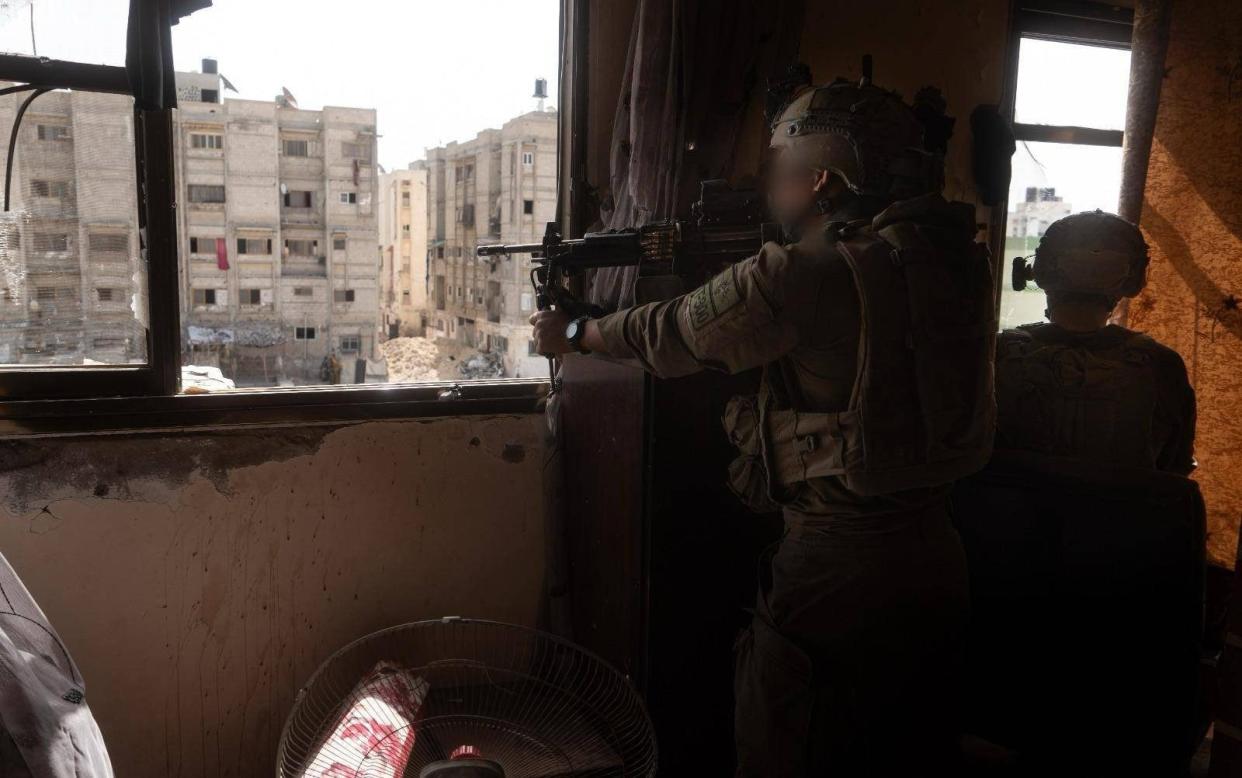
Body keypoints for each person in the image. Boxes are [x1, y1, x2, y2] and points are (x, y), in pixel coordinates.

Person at [532, 71, 996, 775]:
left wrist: (575, 330)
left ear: (819, 179)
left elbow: (676, 333)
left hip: (838, 570)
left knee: (789, 744)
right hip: (939, 555)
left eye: (780, 171)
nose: (769, 187)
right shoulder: (950, 262)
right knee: (905, 748)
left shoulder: (804, 272)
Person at [1000, 210, 1195, 475]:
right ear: (1133, 280)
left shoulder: (997, 353)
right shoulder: (1163, 366)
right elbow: (1174, 472)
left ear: (1039, 272)